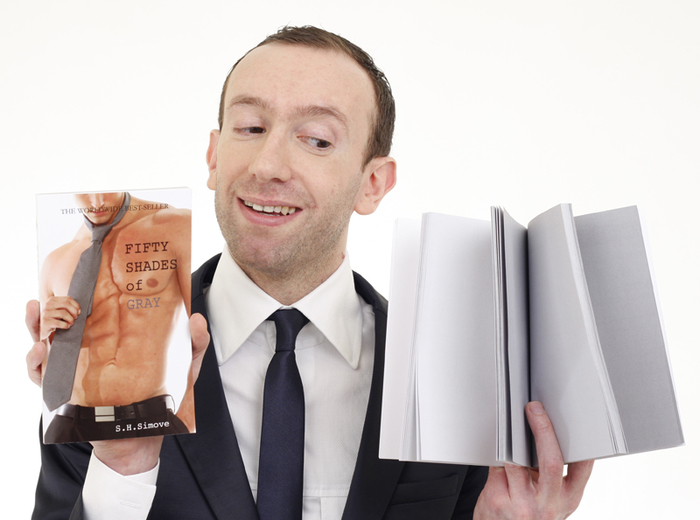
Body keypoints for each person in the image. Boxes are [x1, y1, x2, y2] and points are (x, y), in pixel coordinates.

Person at [26, 26, 593, 519]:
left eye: (317, 140)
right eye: (250, 128)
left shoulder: (454, 384)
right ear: (214, 157)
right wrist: (123, 468)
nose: (269, 165)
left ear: (373, 184)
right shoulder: (103, 363)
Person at [38, 192, 193, 444]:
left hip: (148, 423)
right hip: (68, 427)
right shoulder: (55, 261)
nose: (97, 201)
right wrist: (43, 336)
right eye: (86, 192)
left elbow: (210, 329)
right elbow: (45, 366)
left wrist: (188, 420)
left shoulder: (173, 226)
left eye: (106, 190)